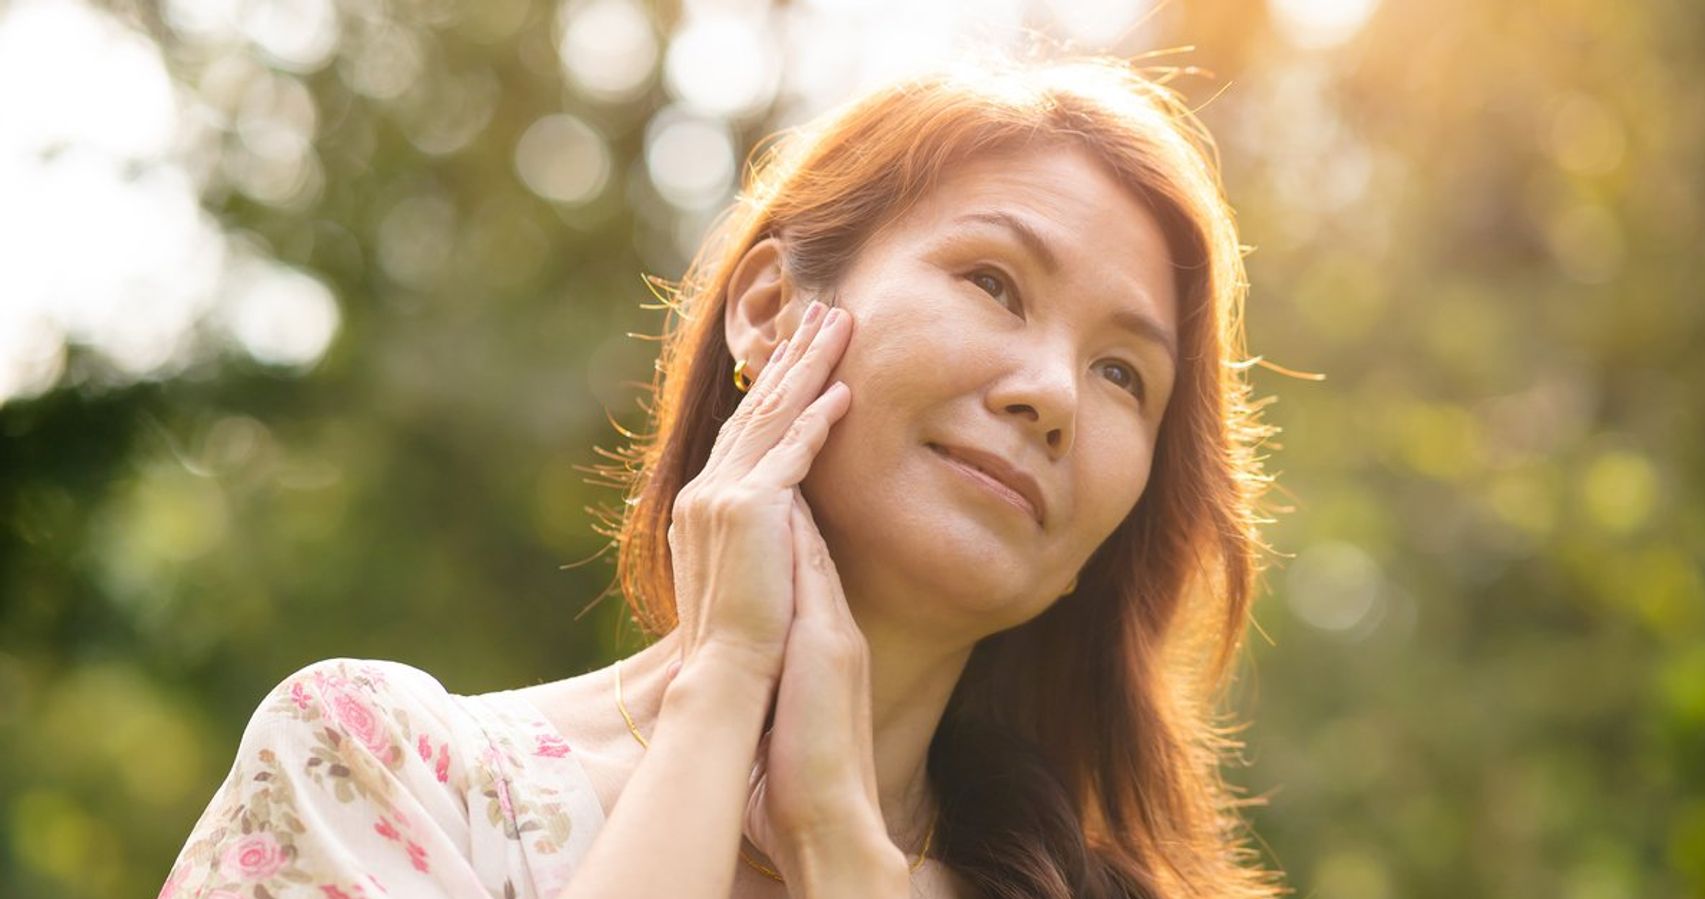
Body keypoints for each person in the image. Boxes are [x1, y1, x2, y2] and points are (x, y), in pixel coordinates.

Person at [161, 52, 1287, 899]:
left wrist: (842, 850)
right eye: (993, 282)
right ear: (768, 307)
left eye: (1124, 375)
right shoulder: (377, 766)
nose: (1053, 390)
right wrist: (725, 687)